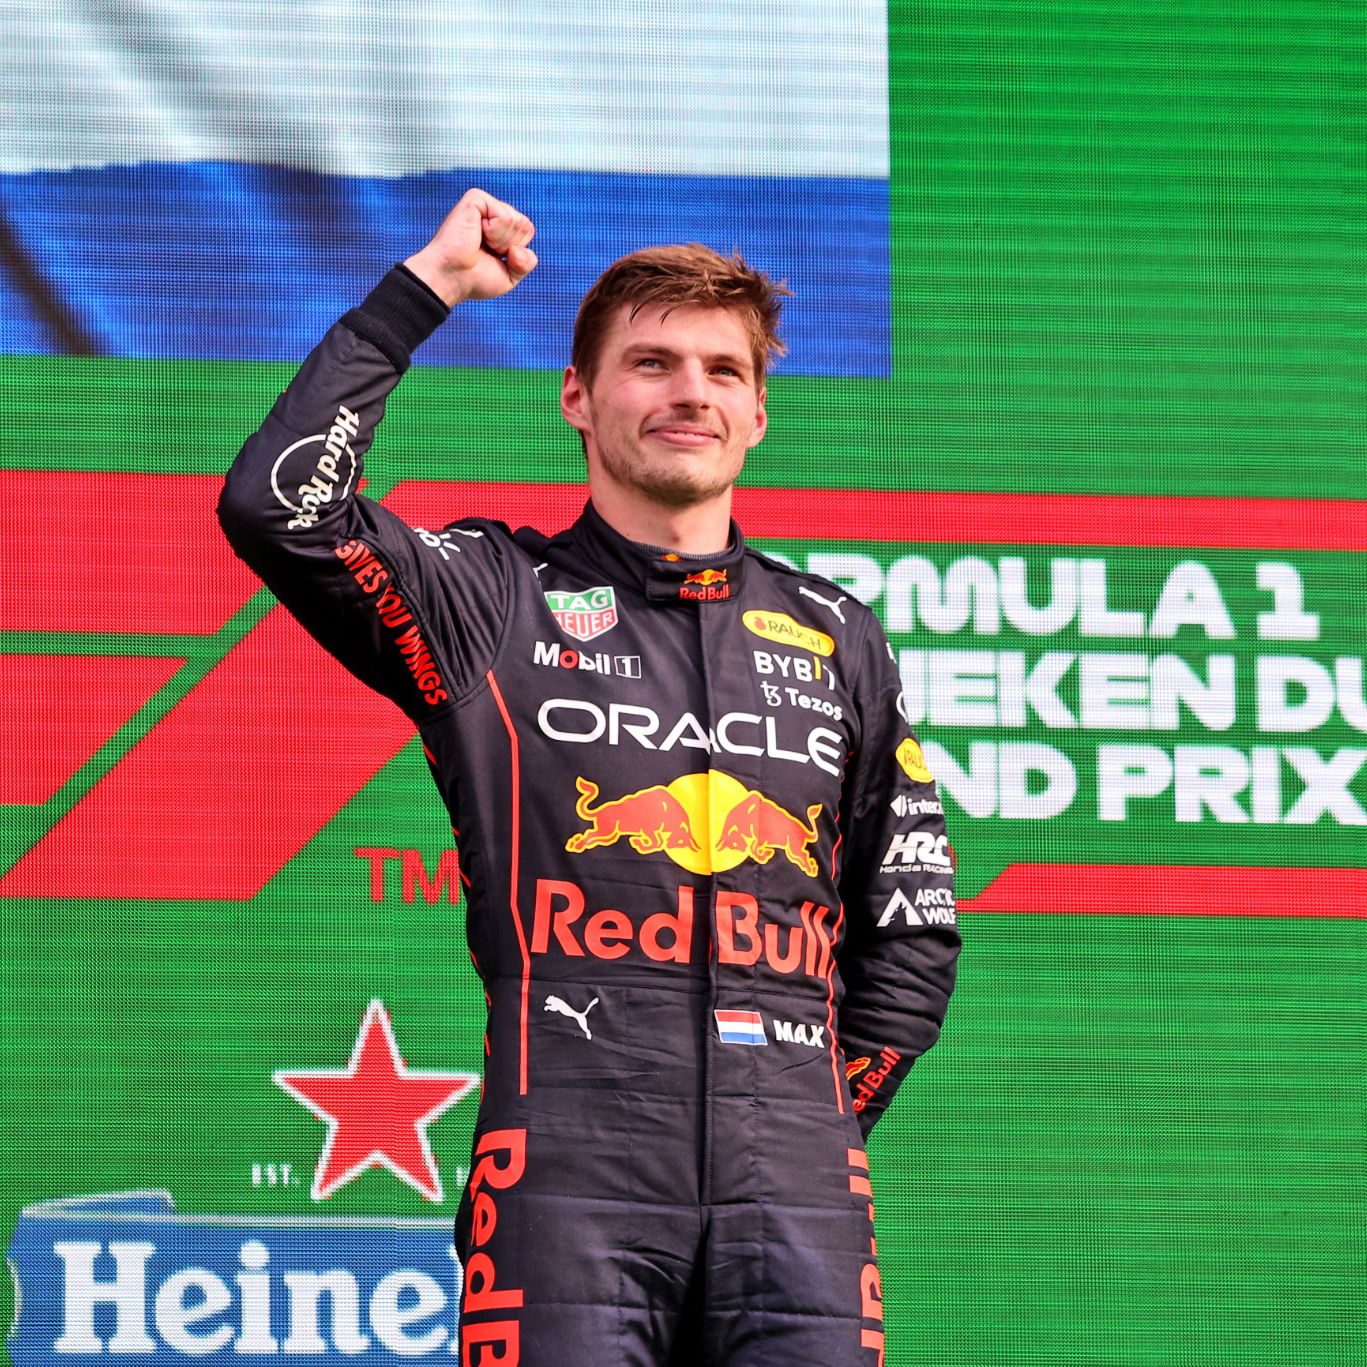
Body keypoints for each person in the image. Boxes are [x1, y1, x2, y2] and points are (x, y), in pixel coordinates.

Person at [219, 188, 960, 1366]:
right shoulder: (489, 595)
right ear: (576, 394)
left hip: (802, 1199)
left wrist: (813, 1116)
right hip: (564, 1183)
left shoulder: (836, 633)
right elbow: (280, 508)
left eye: (722, 369)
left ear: (758, 412)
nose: (689, 392)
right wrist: (421, 296)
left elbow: (910, 932)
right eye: (650, 361)